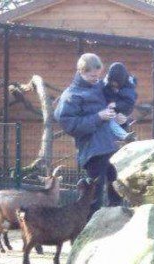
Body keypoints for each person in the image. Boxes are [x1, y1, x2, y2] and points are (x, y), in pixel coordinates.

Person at [54, 53, 127, 213]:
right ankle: (89, 225)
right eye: (92, 76)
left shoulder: (100, 88)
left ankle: (116, 221)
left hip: (111, 146)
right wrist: (98, 117)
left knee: (117, 187)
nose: (96, 79)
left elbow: (112, 109)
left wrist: (118, 118)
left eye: (98, 75)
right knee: (94, 194)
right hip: (93, 151)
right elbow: (69, 124)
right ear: (81, 71)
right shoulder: (71, 95)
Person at [102, 62, 137, 145]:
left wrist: (120, 110)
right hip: (106, 115)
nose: (115, 89)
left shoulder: (128, 88)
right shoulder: (104, 86)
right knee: (110, 122)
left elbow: (129, 103)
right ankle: (125, 136)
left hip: (121, 118)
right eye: (113, 86)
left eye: (117, 86)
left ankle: (125, 136)